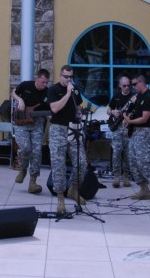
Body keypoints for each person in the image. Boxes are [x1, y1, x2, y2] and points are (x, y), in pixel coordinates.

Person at [47, 65, 87, 215]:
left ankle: (74, 189)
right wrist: (67, 94)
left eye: (71, 77)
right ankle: (60, 198)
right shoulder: (53, 90)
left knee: (81, 162)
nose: (69, 79)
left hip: (73, 129)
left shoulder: (75, 89)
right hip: (58, 129)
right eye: (66, 77)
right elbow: (55, 109)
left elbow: (77, 107)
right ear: (60, 76)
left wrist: (79, 113)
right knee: (59, 166)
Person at [123, 73, 150, 203]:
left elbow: (144, 118)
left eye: (135, 84)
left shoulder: (149, 97)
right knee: (132, 160)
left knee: (143, 161)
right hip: (136, 132)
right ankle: (144, 189)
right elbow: (136, 113)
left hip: (145, 132)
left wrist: (130, 121)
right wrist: (128, 119)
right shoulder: (139, 97)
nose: (133, 87)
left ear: (142, 83)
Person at [11, 68, 49, 194]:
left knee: (37, 151)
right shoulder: (26, 85)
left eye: (46, 83)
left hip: (37, 122)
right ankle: (22, 169)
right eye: (42, 82)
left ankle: (33, 182)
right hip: (21, 120)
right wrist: (20, 100)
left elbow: (50, 109)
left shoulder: (47, 93)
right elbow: (13, 93)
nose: (44, 85)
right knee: (25, 148)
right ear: (37, 79)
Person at [106, 75, 134, 188]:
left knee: (127, 153)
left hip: (128, 128)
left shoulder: (133, 97)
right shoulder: (116, 96)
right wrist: (113, 112)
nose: (127, 87)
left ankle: (126, 176)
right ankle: (116, 176)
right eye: (124, 85)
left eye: (128, 85)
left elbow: (137, 112)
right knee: (116, 153)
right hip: (117, 129)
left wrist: (130, 116)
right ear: (120, 86)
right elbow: (108, 109)